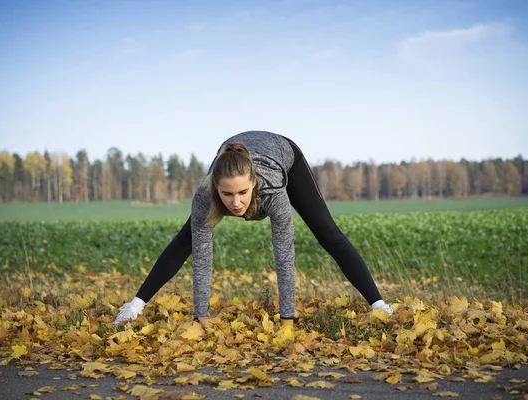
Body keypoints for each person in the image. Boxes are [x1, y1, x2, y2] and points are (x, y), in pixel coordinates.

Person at [114, 131, 393, 325]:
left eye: (243, 193)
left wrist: (287, 321)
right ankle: (134, 307)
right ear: (216, 189)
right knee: (185, 239)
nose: (236, 204)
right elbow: (202, 260)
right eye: (227, 195)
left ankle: (380, 306)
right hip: (234, 154)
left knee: (327, 232)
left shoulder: (271, 190)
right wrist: (201, 317)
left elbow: (284, 259)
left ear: (254, 186)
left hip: (284, 155)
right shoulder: (204, 195)